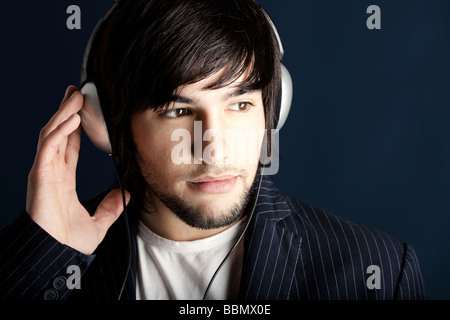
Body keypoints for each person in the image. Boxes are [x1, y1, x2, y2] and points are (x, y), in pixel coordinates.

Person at [0, 0, 427, 300]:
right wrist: (42, 256)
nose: (215, 147)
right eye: (177, 110)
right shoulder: (50, 265)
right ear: (109, 126)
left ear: (272, 110)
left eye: (239, 104)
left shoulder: (378, 273)